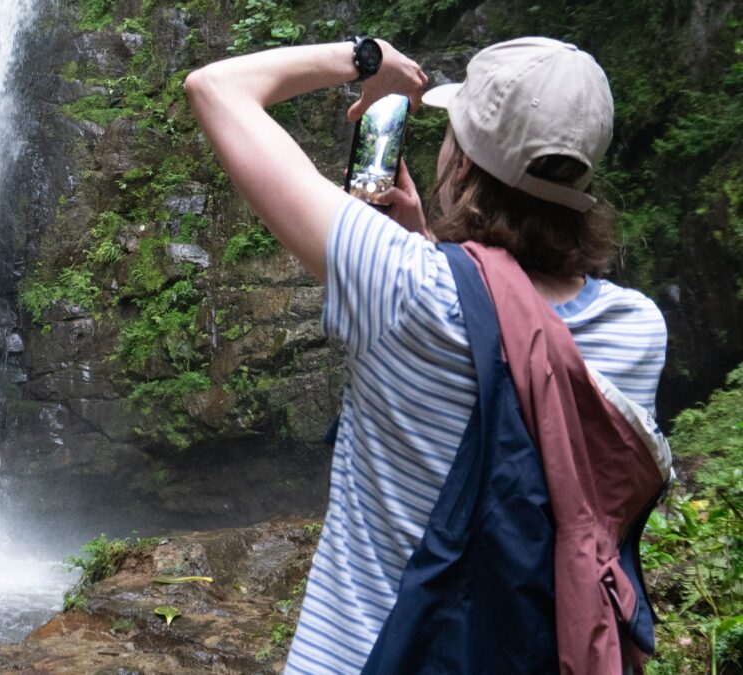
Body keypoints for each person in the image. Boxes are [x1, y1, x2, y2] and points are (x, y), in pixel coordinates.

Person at [185, 36, 670, 673]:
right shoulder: (638, 330)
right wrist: (425, 242)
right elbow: (511, 349)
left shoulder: (401, 285)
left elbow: (214, 87)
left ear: (461, 165)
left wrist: (366, 59)